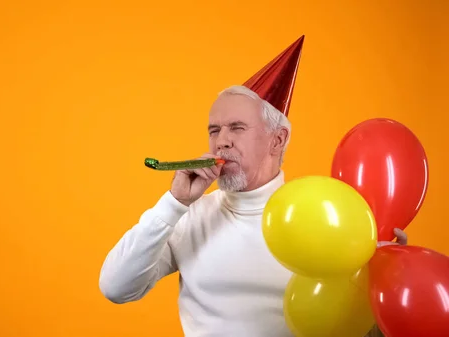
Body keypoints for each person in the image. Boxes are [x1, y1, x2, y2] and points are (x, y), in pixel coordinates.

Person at [99, 37, 408, 337]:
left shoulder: (326, 218)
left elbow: (358, 327)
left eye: (237, 128)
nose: (222, 141)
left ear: (278, 139)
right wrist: (174, 203)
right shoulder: (189, 216)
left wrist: (380, 276)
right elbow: (116, 287)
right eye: (214, 130)